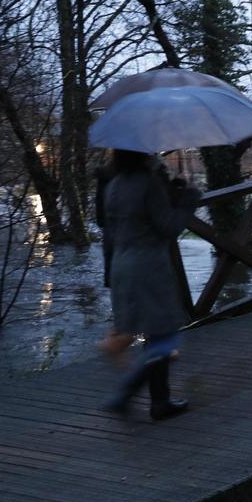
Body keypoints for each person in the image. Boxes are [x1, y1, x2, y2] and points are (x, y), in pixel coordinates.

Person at [101, 149, 200, 420]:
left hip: (122, 263)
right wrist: (189, 200)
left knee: (156, 333)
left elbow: (116, 229)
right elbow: (167, 227)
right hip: (148, 266)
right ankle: (126, 392)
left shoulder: (114, 184)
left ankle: (161, 402)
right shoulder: (148, 183)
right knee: (165, 335)